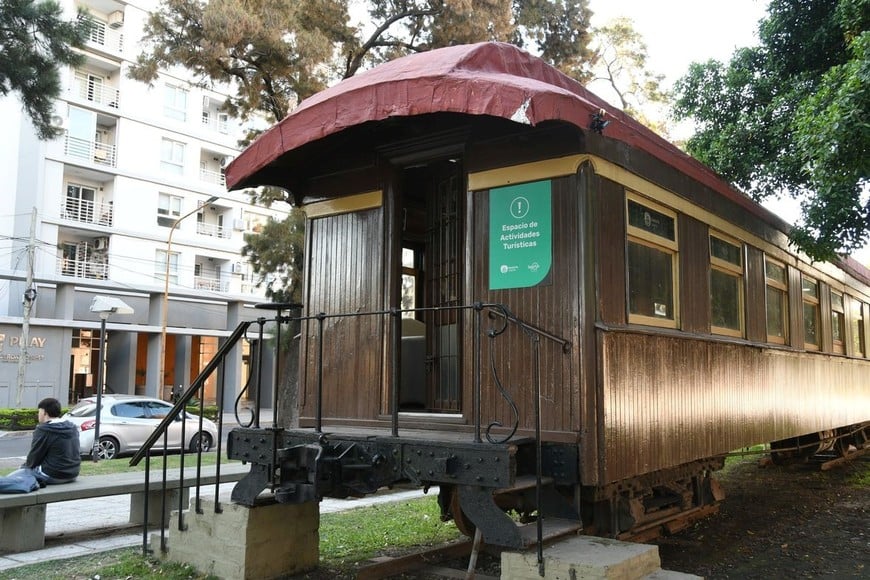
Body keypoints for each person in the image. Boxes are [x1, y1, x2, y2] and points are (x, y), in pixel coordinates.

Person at [15, 398, 81, 486]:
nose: (38, 414)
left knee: (17, 475)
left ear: (44, 412)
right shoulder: (72, 427)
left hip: (53, 474)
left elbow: (34, 457)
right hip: (73, 473)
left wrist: (23, 467)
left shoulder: (44, 429)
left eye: (39, 412)